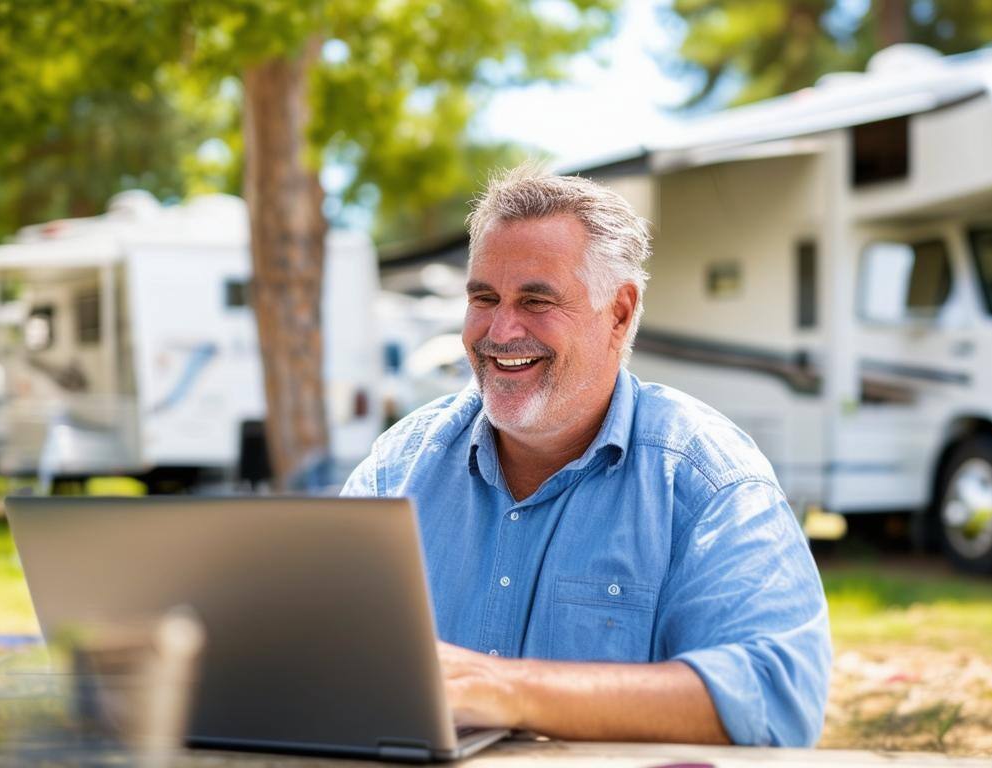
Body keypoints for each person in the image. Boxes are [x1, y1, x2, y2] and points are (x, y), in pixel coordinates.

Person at [341, 166, 831, 746]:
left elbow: (773, 698)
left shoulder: (705, 480)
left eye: (536, 300)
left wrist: (510, 691)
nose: (500, 330)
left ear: (620, 313)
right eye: (484, 298)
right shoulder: (399, 467)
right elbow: (315, 648)